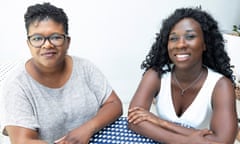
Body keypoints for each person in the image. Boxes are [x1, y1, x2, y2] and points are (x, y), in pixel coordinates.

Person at [0, 2, 122, 144]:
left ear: (67, 42)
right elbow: (23, 141)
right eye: (37, 38)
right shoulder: (17, 84)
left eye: (56, 37)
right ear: (29, 43)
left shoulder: (85, 67)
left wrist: (87, 129)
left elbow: (114, 104)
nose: (47, 45)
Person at [128, 7, 238, 144]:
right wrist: (186, 141)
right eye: (173, 38)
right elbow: (133, 120)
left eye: (190, 36)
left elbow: (222, 141)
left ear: (205, 44)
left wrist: (161, 123)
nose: (180, 44)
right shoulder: (156, 75)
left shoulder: (220, 85)